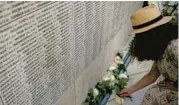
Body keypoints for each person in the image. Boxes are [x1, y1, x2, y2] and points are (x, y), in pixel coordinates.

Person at [119, 5, 178, 105]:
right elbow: (152, 75)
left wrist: (177, 86)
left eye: (140, 35)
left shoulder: (174, 47)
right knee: (151, 95)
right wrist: (131, 89)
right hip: (171, 84)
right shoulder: (160, 45)